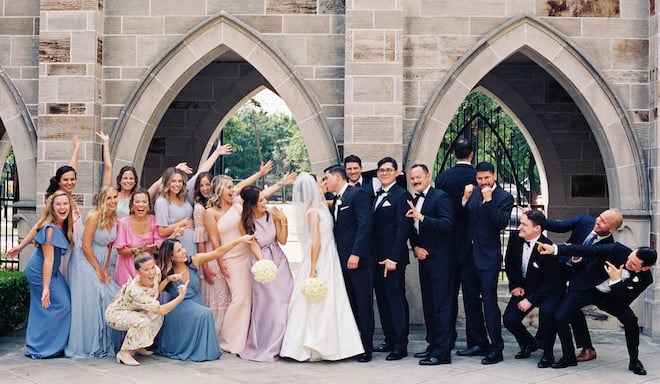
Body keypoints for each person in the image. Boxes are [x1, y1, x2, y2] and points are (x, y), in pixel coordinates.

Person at [204, 161, 293, 353]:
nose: (232, 190)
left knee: (253, 298)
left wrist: (277, 182)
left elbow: (258, 200)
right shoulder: (210, 212)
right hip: (229, 259)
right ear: (219, 190)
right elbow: (214, 240)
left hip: (249, 255)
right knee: (241, 298)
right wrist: (219, 263)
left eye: (232, 187)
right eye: (228, 187)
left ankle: (245, 338)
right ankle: (228, 341)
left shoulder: (239, 205)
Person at [280, 173, 364, 361]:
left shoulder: (322, 206)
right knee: (319, 300)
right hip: (320, 258)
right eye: (321, 181)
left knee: (334, 299)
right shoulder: (313, 212)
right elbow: (315, 242)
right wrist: (312, 269)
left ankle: (337, 343)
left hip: (330, 255)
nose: (324, 183)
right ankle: (313, 343)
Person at [538, 242, 656, 375]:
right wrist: (554, 249)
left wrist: (616, 281)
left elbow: (624, 301)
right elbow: (586, 250)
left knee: (631, 321)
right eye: (629, 257)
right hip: (587, 287)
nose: (628, 262)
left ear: (645, 268)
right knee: (560, 316)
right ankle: (569, 356)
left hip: (612, 299)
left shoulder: (646, 279)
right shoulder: (616, 249)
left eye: (633, 264)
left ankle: (634, 360)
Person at [156, 236, 254, 361]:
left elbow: (218, 252)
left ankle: (204, 351)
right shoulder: (164, 271)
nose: (184, 251)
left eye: (182, 248)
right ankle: (191, 350)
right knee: (205, 313)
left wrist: (238, 240)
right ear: (171, 257)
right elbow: (156, 291)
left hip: (196, 302)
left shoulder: (194, 260)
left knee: (204, 312)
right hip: (178, 305)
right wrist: (168, 279)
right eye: (179, 251)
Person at [544, 209, 622, 363]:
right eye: (599, 217)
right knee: (553, 305)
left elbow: (587, 269)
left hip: (580, 279)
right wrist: (536, 219)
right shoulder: (585, 220)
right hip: (561, 268)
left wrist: (576, 259)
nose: (598, 221)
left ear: (612, 229)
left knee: (566, 311)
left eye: (603, 221)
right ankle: (545, 340)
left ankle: (583, 348)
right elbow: (559, 226)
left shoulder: (609, 246)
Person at [458, 161, 513, 365]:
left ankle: (496, 348)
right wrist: (464, 200)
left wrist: (489, 201)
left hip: (488, 258)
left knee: (490, 304)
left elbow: (499, 223)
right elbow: (463, 219)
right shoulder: (472, 193)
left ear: (494, 176)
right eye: (479, 179)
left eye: (486, 178)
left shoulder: (504, 197)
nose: (482, 182)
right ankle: (479, 343)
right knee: (470, 302)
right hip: (469, 256)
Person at [324, 165, 375, 363]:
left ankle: (366, 347)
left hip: (357, 260)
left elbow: (365, 225)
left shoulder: (358, 194)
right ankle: (354, 343)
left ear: (337, 177)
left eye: (327, 178)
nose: (325, 181)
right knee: (351, 303)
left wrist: (356, 253)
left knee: (363, 303)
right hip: (341, 260)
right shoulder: (338, 198)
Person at [405, 163, 454, 365]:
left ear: (428, 176)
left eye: (418, 177)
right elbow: (414, 230)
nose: (415, 181)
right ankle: (432, 345)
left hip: (442, 261)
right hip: (425, 261)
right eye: (413, 178)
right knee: (430, 306)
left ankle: (442, 353)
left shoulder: (440, 197)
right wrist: (415, 247)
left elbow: (447, 224)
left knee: (442, 307)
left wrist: (421, 216)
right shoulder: (415, 200)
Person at [66, 185, 123, 358]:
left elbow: (110, 244)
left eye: (115, 197)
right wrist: (97, 269)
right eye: (109, 198)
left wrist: (105, 268)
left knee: (110, 293)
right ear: (102, 199)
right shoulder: (94, 216)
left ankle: (104, 342)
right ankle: (89, 344)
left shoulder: (114, 216)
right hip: (84, 259)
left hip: (101, 257)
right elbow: (84, 245)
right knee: (96, 295)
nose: (113, 201)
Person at [239, 186, 294, 362]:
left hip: (279, 261)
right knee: (268, 306)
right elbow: (253, 244)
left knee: (285, 303)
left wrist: (283, 220)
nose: (265, 202)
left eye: (264, 199)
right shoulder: (245, 221)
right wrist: (263, 263)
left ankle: (286, 345)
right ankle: (265, 344)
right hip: (261, 263)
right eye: (261, 200)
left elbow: (283, 240)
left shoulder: (271, 214)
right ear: (252, 204)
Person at [105, 252, 189, 366]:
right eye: (146, 270)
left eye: (152, 267)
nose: (151, 272)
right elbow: (162, 309)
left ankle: (139, 345)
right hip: (116, 314)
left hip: (135, 310)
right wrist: (180, 298)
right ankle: (124, 353)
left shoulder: (156, 273)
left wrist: (168, 279)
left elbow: (154, 291)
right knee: (142, 320)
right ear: (138, 272)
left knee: (156, 316)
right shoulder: (135, 291)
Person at [502, 210, 562, 368]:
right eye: (520, 223)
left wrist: (530, 300)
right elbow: (510, 264)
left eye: (524, 224)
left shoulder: (547, 246)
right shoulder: (515, 238)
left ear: (537, 229)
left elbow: (551, 282)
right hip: (525, 287)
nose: (519, 227)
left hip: (548, 290)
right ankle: (528, 343)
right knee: (510, 319)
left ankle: (548, 353)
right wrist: (515, 285)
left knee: (548, 312)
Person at [434, 138, 476, 348]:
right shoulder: (477, 177)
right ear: (472, 154)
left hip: (447, 242)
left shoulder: (443, 177)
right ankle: (474, 340)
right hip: (470, 243)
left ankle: (447, 338)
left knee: (447, 294)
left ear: (453, 154)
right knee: (471, 295)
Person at [371, 157, 413, 361]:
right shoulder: (377, 194)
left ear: (396, 172)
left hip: (392, 259)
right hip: (377, 258)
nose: (384, 173)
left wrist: (393, 258)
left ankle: (400, 344)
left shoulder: (401, 195)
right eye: (381, 170)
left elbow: (402, 229)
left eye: (389, 170)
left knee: (395, 300)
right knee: (383, 300)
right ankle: (389, 338)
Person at [24, 190, 74, 359]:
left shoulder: (64, 224)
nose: (62, 207)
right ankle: (42, 347)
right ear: (52, 207)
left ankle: (51, 344)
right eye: (58, 204)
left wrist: (20, 247)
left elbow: (33, 229)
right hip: (40, 271)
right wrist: (46, 288)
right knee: (58, 305)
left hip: (52, 271)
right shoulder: (51, 228)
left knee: (65, 302)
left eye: (65, 204)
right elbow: (48, 260)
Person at [113, 188, 168, 287]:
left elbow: (161, 243)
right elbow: (120, 251)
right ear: (132, 205)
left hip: (148, 266)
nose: (141, 205)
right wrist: (142, 249)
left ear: (149, 205)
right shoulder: (123, 222)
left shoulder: (154, 220)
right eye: (137, 202)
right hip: (126, 266)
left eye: (144, 202)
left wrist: (174, 234)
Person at [154, 167, 196, 257]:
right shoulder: (162, 202)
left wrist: (216, 153)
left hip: (192, 246)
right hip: (177, 249)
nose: (177, 184)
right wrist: (182, 223)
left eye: (180, 181)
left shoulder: (184, 197)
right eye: (173, 181)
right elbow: (161, 231)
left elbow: (198, 176)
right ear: (167, 182)